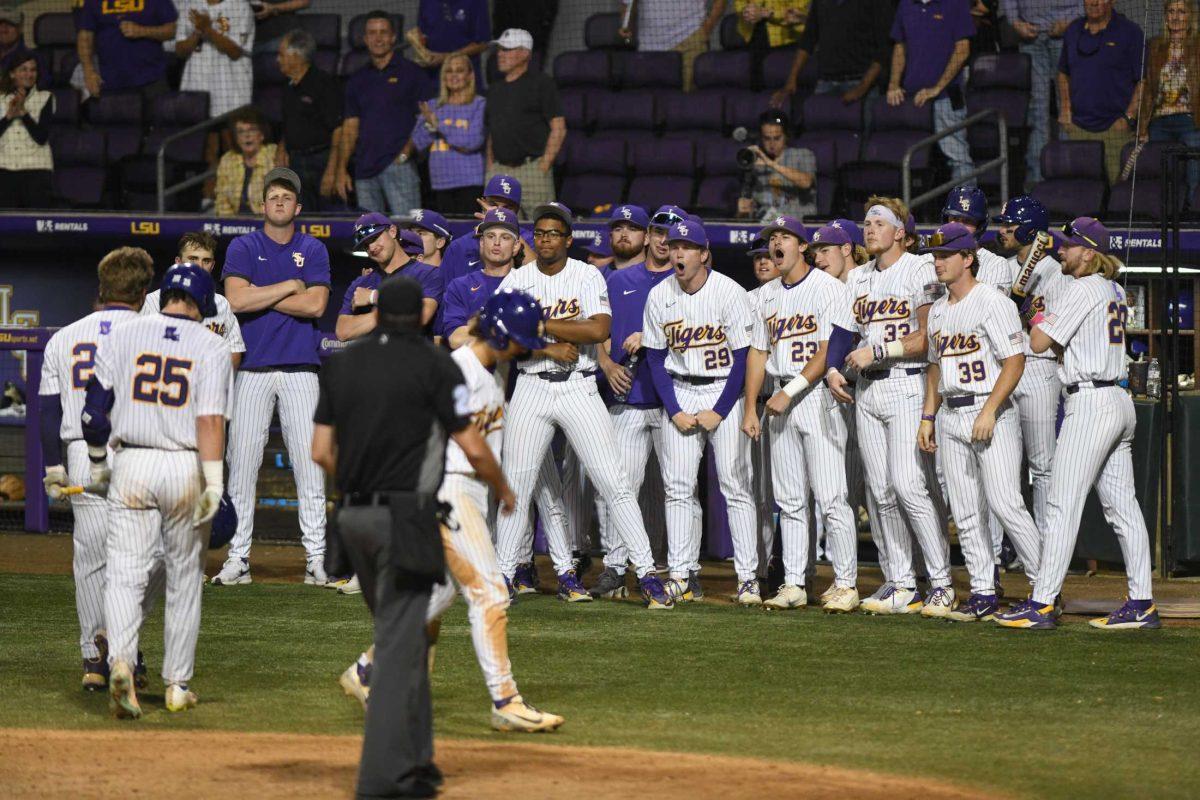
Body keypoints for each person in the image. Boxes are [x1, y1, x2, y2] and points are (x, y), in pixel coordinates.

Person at [335, 289, 565, 735]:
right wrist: (504, 485)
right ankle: (506, 701)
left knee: (438, 595)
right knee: (490, 593)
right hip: (450, 490)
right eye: (518, 339)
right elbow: (472, 447)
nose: (524, 347)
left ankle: (368, 670)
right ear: (499, 335)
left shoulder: (490, 367)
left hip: (460, 490)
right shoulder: (459, 373)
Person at [310, 275, 475, 798]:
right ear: (419, 317)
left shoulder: (341, 364)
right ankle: (383, 778)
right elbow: (467, 438)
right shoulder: (433, 363)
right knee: (398, 646)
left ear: (379, 314)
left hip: (352, 518)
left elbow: (320, 451)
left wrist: (356, 483)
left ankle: (420, 761)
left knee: (403, 637)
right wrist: (500, 485)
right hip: (404, 518)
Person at [494, 202, 674, 609]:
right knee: (516, 488)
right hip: (531, 386)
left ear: (568, 239)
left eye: (553, 233)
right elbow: (499, 334)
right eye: (539, 233)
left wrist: (540, 325)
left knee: (614, 482)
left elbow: (598, 328)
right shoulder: (517, 278)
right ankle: (503, 574)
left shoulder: (586, 273)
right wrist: (548, 345)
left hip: (579, 387)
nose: (545, 239)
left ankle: (646, 573)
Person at [81, 261, 233, 718]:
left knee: (125, 574)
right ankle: (176, 685)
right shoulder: (211, 344)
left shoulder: (124, 333)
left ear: (163, 293)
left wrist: (97, 464)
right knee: (184, 580)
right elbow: (209, 421)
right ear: (203, 303)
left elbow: (93, 413)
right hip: (185, 465)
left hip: (132, 462)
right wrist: (215, 482)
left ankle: (122, 663)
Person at [998, 217, 1159, 630]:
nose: (1062, 252)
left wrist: (1030, 311)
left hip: (1091, 405)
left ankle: (1043, 602)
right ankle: (1141, 601)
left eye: (1070, 247)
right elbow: (1061, 348)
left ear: (1090, 252)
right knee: (1123, 508)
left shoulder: (1082, 286)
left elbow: (1037, 344)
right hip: (1118, 400)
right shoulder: (1115, 290)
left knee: (1060, 504)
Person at [826, 197, 953, 615]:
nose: (870, 228)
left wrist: (879, 349)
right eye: (866, 223)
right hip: (868, 390)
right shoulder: (858, 277)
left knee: (908, 486)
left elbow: (930, 334)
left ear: (900, 231)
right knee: (880, 492)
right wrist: (831, 370)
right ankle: (900, 582)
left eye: (879, 222)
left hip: (907, 384)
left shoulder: (918, 268)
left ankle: (940, 581)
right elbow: (843, 333)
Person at [40, 247, 156, 692]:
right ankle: (127, 651)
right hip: (137, 452)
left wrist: (53, 467)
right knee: (143, 559)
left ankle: (93, 658)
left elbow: (48, 413)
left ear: (102, 288)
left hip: (77, 456)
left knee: (90, 560)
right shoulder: (152, 333)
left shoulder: (64, 337)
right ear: (143, 292)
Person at [916, 222, 1043, 622]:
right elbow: (935, 368)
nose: (938, 262)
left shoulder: (993, 301)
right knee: (967, 511)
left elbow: (1015, 361)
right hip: (951, 412)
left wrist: (989, 408)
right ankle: (984, 591)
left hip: (991, 413)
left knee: (1006, 504)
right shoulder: (938, 308)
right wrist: (927, 415)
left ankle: (1046, 588)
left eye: (946, 255)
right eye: (935, 255)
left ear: (968, 259)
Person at [214, 167, 330, 587]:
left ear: (298, 207)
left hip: (301, 369)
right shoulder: (244, 245)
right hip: (252, 370)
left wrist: (262, 294)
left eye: (287, 197)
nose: (279, 202)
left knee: (310, 466)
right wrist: (288, 287)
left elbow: (316, 306)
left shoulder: (313, 248)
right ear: (262, 205)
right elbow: (235, 301)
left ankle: (316, 557)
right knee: (242, 466)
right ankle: (238, 557)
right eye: (273, 196)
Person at [743, 216, 860, 613]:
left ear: (802, 246)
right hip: (778, 397)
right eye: (771, 238)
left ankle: (845, 583)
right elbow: (758, 353)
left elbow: (829, 349)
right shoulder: (766, 295)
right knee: (789, 501)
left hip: (812, 397)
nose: (775, 244)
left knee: (831, 497)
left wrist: (790, 391)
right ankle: (794, 582)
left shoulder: (828, 288)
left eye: (783, 238)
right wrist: (750, 406)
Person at [643, 220, 761, 604]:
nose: (677, 252)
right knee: (677, 488)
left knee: (735, 486)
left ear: (703, 254)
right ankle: (681, 574)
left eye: (686, 247)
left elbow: (743, 357)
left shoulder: (729, 292)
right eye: (674, 245)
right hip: (679, 390)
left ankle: (747, 578)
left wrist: (722, 409)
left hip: (723, 389)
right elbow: (656, 357)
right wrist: (674, 409)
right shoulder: (659, 295)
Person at [589, 204, 681, 599]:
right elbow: (598, 331)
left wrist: (654, 337)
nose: (663, 240)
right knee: (620, 487)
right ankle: (614, 567)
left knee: (677, 491)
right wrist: (606, 364)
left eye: (671, 235)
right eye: (658, 232)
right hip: (627, 398)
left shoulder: (689, 282)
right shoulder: (618, 279)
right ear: (650, 236)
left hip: (675, 400)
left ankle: (678, 569)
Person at [994, 196, 1072, 534]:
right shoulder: (1005, 268)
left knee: (1042, 465)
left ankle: (1047, 541)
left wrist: (1027, 310)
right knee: (1003, 468)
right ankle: (1010, 547)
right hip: (1004, 369)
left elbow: (1052, 335)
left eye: (1008, 224)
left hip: (1040, 368)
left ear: (1027, 228)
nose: (1002, 230)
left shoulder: (1057, 274)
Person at [336, 11, 432, 215]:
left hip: (400, 168)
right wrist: (341, 169)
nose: (378, 38)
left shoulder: (413, 73)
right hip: (364, 170)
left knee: (408, 236)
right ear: (365, 39)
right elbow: (350, 128)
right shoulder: (357, 80)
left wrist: (406, 153)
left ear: (393, 37)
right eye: (372, 33)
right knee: (371, 240)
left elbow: (427, 119)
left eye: (383, 32)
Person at [887, 0, 976, 184]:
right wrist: (893, 84)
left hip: (947, 96)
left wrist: (937, 88)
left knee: (957, 157)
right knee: (913, 159)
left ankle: (966, 209)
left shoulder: (956, 4)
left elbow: (963, 49)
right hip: (914, 99)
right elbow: (899, 46)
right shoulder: (905, 5)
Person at [1057, 0, 1145, 184]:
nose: (1094, 2)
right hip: (1078, 129)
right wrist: (1065, 109)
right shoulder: (1073, 30)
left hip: (1115, 129)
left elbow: (1143, 81)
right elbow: (1063, 73)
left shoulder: (1131, 32)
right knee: (1080, 191)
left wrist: (1128, 117)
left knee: (1117, 195)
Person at [484, 29, 565, 216]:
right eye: (500, 50)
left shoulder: (542, 83)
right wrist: (490, 167)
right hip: (499, 171)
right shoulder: (495, 89)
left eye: (507, 49)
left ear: (525, 53)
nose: (500, 55)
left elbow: (559, 128)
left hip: (532, 170)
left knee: (541, 229)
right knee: (499, 230)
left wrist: (543, 166)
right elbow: (492, 132)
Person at [141, 232, 245, 367]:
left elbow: (234, 351)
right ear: (178, 262)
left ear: (212, 266)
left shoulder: (221, 304)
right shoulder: (151, 302)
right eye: (193, 259)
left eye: (206, 261)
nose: (199, 267)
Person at [1001, 0, 1076, 185]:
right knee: (1037, 108)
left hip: (1066, 32)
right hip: (1031, 35)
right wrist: (1015, 22)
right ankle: (1037, 178)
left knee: (1068, 107)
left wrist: (1073, 21)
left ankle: (1069, 174)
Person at [338, 214, 442, 342]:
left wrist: (374, 297)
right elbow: (343, 331)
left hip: (413, 359)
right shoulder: (361, 283)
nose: (371, 248)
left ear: (392, 231)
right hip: (374, 360)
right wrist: (382, 313)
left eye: (375, 238)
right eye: (365, 245)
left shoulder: (428, 273)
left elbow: (421, 315)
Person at [770, 0, 893, 109]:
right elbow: (808, 40)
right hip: (826, 82)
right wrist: (791, 79)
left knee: (859, 132)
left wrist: (862, 87)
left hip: (860, 81)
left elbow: (885, 48)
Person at [410, 52, 486, 215]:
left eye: (459, 70)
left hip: (469, 182)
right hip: (439, 183)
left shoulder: (479, 104)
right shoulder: (433, 106)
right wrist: (430, 127)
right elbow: (418, 143)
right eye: (449, 71)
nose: (454, 75)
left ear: (470, 75)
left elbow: (471, 141)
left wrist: (437, 124)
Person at [1139, 0, 1200, 201]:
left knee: (1193, 150)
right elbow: (1148, 90)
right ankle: (1161, 209)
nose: (1175, 16)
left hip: (1190, 120)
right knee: (1156, 164)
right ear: (1165, 16)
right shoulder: (1156, 46)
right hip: (1159, 120)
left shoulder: (1198, 46)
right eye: (1171, 11)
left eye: (1181, 12)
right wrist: (1143, 127)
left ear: (1190, 17)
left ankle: (1191, 207)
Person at [278, 29, 344, 213]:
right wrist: (282, 149)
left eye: (281, 55)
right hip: (297, 162)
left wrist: (332, 170)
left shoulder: (324, 84)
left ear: (295, 56)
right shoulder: (288, 88)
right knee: (302, 217)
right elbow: (289, 123)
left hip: (321, 161)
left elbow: (338, 129)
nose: (278, 60)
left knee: (329, 216)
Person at [76, 0, 177, 100]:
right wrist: (88, 72)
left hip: (152, 80)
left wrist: (142, 31)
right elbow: (85, 36)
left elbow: (171, 30)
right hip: (109, 81)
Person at [619, 0, 728, 92]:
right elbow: (627, 5)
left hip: (690, 40)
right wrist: (627, 25)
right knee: (651, 108)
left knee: (689, 106)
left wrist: (705, 30)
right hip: (649, 47)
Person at [174, 0, 253, 119]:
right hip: (197, 84)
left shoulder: (241, 7)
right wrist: (198, 31)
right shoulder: (189, 6)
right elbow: (180, 51)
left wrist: (208, 30)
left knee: (229, 133)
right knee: (202, 134)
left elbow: (235, 52)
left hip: (231, 87)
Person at [738, 110, 817, 222]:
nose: (772, 144)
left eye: (777, 138)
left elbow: (806, 182)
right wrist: (743, 211)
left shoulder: (802, 154)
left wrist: (771, 164)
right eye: (767, 138)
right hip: (765, 225)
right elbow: (748, 209)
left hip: (797, 223)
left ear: (786, 136)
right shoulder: (754, 164)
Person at [0, 52, 52, 209]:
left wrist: (23, 112)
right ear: (12, 74)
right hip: (4, 168)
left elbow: (41, 137)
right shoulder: (0, 99)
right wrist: (9, 116)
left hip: (36, 169)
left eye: (33, 70)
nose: (29, 74)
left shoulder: (45, 98)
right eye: (23, 69)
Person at [214, 108, 279, 216]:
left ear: (261, 135)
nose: (247, 135)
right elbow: (222, 200)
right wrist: (228, 225)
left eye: (252, 130)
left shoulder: (273, 155)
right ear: (236, 138)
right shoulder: (228, 160)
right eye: (241, 131)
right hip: (234, 223)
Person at [411, 0, 490, 78]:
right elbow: (422, 33)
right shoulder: (426, 2)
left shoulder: (476, 2)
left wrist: (446, 57)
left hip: (464, 80)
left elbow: (483, 44)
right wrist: (420, 49)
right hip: (432, 79)